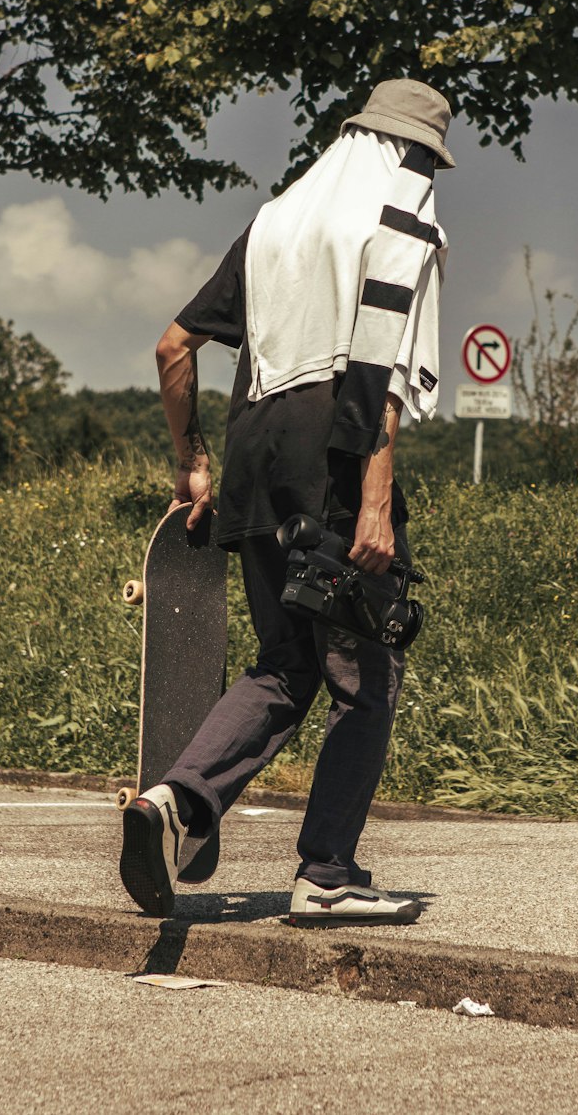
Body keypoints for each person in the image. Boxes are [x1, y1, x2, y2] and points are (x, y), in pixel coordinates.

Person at [119, 78, 454, 926]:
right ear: (409, 151)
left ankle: (171, 801)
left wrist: (193, 465)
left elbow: (173, 347)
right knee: (364, 673)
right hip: (332, 454)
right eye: (425, 155)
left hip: (253, 449)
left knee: (285, 662)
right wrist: (374, 504)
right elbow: (379, 373)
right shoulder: (401, 210)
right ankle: (328, 873)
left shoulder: (276, 220)